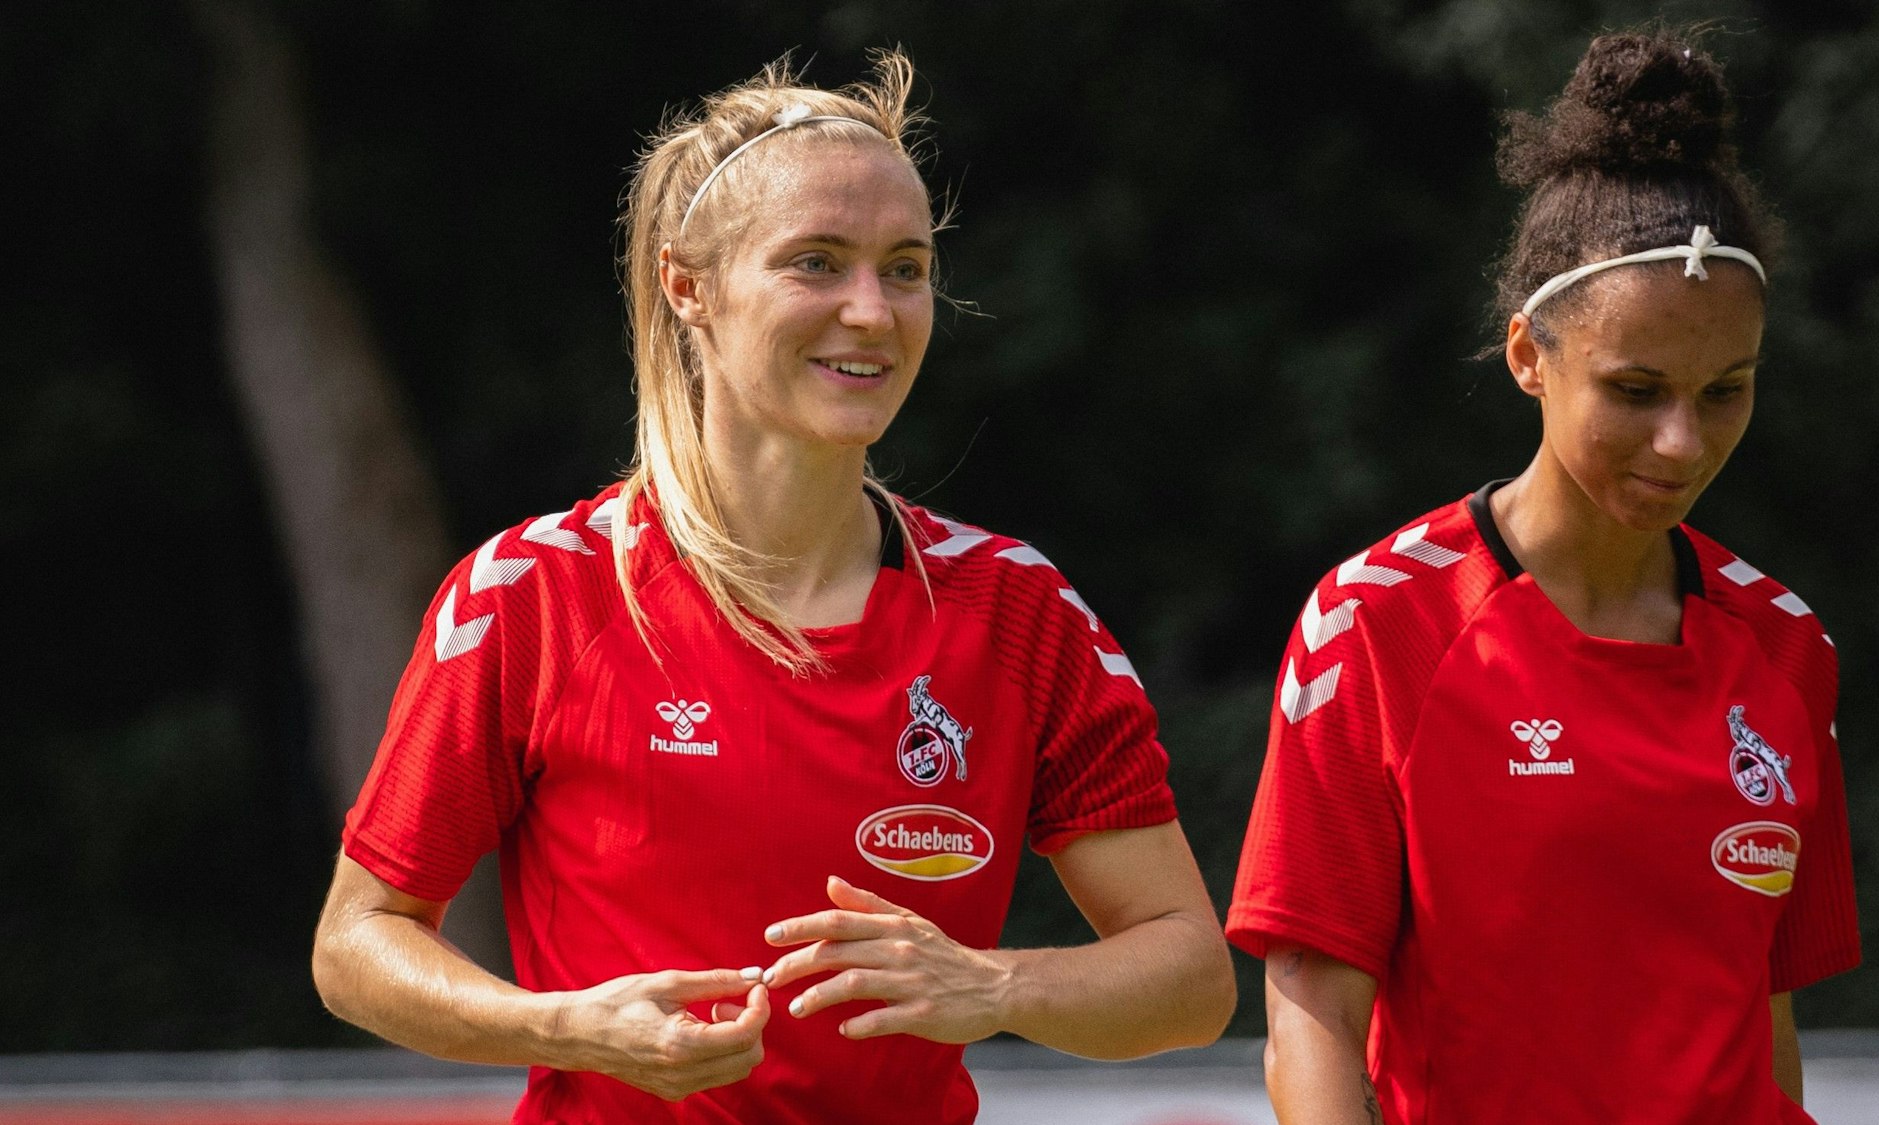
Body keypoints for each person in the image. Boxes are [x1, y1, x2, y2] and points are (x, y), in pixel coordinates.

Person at [311, 52, 1234, 1124]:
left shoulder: (1015, 610)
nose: (872, 311)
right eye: (816, 262)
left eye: (904, 267)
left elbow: (1188, 979)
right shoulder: (536, 594)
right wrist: (563, 1025)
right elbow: (357, 942)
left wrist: (992, 987)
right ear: (686, 286)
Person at [1227, 28, 1860, 1125]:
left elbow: (1763, 1020)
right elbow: (1312, 1009)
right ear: (1528, 355)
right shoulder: (1374, 624)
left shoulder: (1786, 644)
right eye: (1633, 389)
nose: (1680, 441)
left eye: (1724, 391)